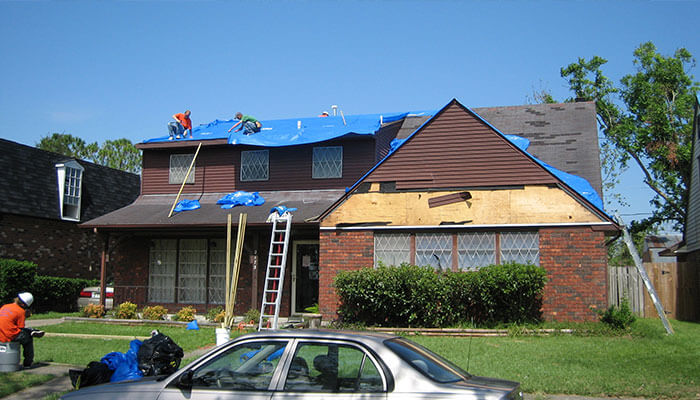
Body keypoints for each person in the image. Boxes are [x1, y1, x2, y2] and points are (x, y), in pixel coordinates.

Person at [0, 292, 44, 368]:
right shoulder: (20, 311)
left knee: (26, 332)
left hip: (1, 333)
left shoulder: (4, 306)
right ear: (23, 305)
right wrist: (25, 316)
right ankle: (27, 363)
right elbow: (21, 328)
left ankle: (31, 331)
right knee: (28, 339)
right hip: (10, 335)